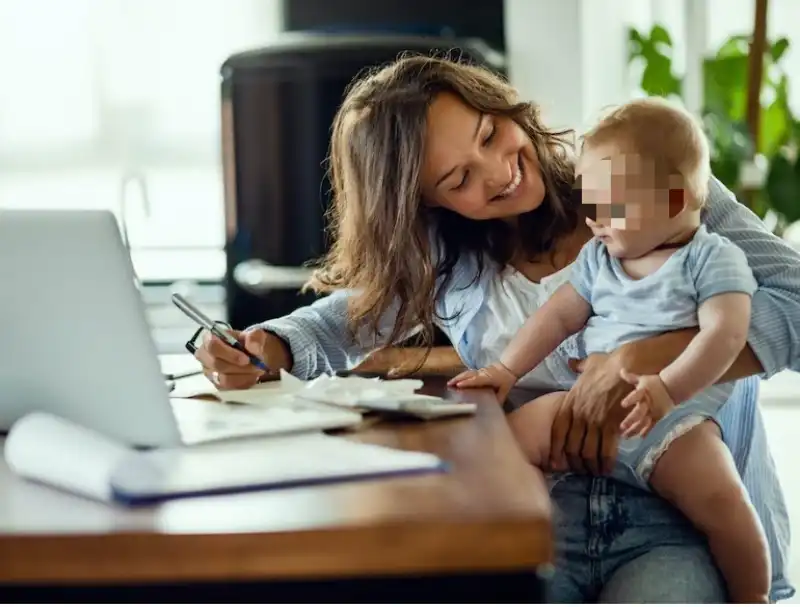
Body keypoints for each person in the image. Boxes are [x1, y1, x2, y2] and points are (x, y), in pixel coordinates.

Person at [193, 54, 798, 602]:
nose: (499, 172)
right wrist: (262, 346)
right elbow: (341, 321)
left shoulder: (643, 175)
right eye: (458, 180)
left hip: (683, 516)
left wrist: (643, 358)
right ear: (426, 204)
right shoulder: (447, 256)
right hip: (543, 510)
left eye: (490, 134)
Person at [449, 97, 769, 602]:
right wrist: (507, 369)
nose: (592, 219)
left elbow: (725, 336)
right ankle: (532, 534)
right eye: (589, 203)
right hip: (585, 406)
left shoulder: (711, 258)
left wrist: (665, 388)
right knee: (505, 440)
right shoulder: (601, 258)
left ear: (670, 202)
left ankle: (754, 594)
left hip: (674, 420)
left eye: (608, 206)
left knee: (723, 501)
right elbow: (557, 315)